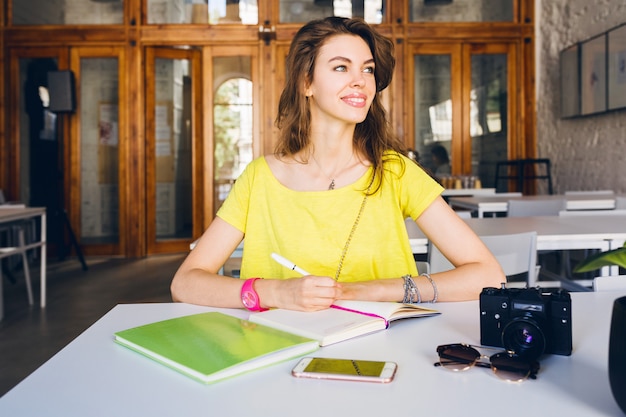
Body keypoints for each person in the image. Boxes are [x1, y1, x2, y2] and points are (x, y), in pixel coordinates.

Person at [171, 17, 503, 312]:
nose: (360, 80)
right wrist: (277, 292)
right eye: (341, 67)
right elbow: (184, 284)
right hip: (280, 354)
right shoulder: (259, 178)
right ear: (306, 83)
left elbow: (489, 275)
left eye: (368, 69)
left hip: (385, 352)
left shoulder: (395, 172)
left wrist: (374, 290)